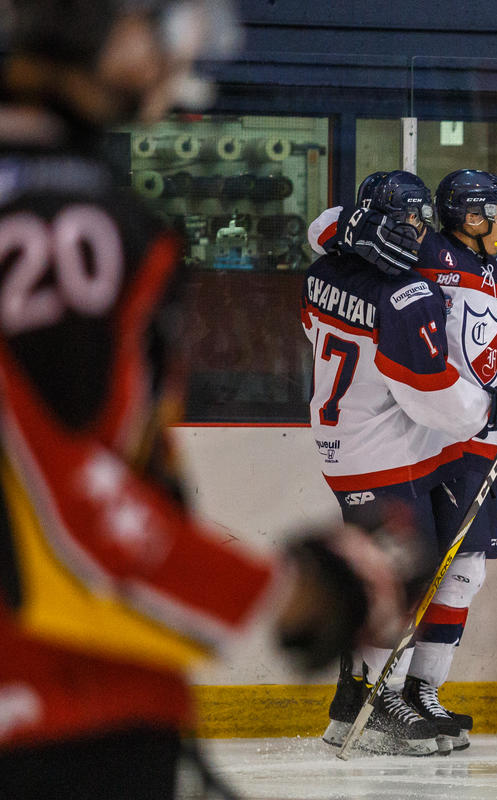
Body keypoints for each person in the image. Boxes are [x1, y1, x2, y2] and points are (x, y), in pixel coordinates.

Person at [0, 2, 424, 796]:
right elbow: (73, 509)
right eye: (157, 22)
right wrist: (300, 592)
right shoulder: (68, 218)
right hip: (58, 709)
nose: (176, 50)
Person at [304, 170, 497, 755]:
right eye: (408, 223)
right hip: (386, 449)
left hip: (378, 443)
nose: (417, 233)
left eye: (420, 221)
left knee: (436, 571)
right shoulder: (403, 295)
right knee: (393, 578)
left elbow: (323, 232)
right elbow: (432, 390)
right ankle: (373, 699)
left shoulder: (323, 271)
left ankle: (387, 696)